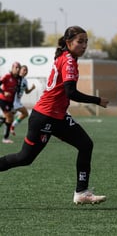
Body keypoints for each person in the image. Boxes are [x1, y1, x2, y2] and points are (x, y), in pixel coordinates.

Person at [0, 26, 108, 204]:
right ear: (68, 42)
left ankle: (82, 192)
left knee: (85, 144)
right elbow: (70, 92)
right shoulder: (68, 61)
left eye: (86, 41)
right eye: (80, 41)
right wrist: (97, 100)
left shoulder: (67, 57)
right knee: (24, 158)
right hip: (44, 117)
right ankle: (81, 192)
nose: (84, 45)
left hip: (57, 116)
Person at [10, 65, 36, 136]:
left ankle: (12, 127)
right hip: (13, 101)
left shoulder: (25, 80)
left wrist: (32, 88)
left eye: (26, 70)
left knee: (8, 117)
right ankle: (12, 127)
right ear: (20, 70)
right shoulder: (16, 78)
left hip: (17, 102)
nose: (25, 71)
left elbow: (27, 91)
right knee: (24, 113)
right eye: (24, 69)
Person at [0, 61, 21, 143]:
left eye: (18, 67)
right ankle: (5, 138)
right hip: (3, 100)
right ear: (12, 68)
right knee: (9, 117)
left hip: (11, 102)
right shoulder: (7, 76)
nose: (17, 69)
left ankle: (1, 120)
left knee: (8, 118)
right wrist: (3, 92)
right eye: (16, 67)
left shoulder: (18, 79)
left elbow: (17, 90)